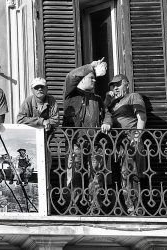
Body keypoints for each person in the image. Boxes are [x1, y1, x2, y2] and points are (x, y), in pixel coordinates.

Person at [62, 58, 111, 209]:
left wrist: (107, 122)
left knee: (96, 176)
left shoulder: (97, 98)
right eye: (92, 78)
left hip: (95, 143)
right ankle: (71, 206)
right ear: (82, 79)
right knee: (74, 175)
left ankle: (95, 207)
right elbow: (71, 76)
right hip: (75, 142)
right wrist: (91, 66)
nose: (95, 81)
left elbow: (107, 113)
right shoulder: (71, 94)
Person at [101, 74, 147, 214]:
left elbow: (142, 117)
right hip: (116, 142)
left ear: (126, 84)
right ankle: (123, 207)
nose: (115, 88)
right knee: (118, 176)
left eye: (118, 84)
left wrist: (137, 136)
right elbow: (102, 112)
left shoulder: (133, 96)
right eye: (113, 85)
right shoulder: (112, 103)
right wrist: (107, 100)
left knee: (131, 173)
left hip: (130, 139)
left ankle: (136, 208)